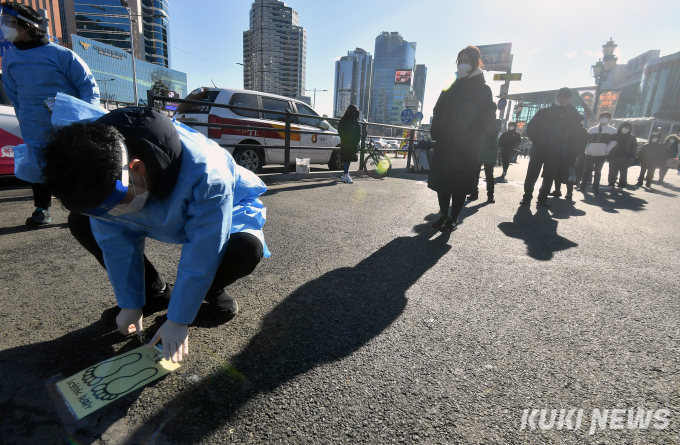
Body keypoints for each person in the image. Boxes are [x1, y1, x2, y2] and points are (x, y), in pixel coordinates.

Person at [40, 100, 270, 363]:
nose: (111, 215)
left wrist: (179, 319)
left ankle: (211, 290)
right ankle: (154, 293)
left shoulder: (208, 174)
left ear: (136, 169)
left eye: (113, 204)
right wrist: (130, 302)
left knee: (246, 248)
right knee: (82, 222)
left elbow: (204, 249)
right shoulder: (99, 173)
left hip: (226, 210)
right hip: (158, 208)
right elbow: (115, 244)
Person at [1, 2, 99, 225]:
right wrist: (23, 118)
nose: (4, 27)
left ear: (25, 26)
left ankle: (86, 208)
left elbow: (88, 88)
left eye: (9, 22)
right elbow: (13, 94)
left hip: (67, 125)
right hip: (33, 126)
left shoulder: (62, 55)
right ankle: (41, 209)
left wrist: (85, 121)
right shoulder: (10, 58)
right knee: (37, 167)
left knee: (73, 166)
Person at [428, 46, 494, 231]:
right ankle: (443, 214)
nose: (463, 64)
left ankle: (453, 218)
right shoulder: (451, 84)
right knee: (442, 183)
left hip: (466, 145)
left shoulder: (483, 89)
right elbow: (437, 109)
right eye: (460, 61)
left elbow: (487, 117)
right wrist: (437, 130)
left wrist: (472, 133)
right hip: (445, 141)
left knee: (458, 183)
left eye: (467, 61)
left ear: (475, 63)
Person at [520, 87, 583, 207]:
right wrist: (536, 140)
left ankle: (542, 198)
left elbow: (577, 123)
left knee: (549, 177)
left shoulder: (569, 115)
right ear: (556, 97)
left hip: (556, 151)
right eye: (559, 96)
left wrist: (567, 107)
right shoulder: (543, 111)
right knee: (532, 175)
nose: (561, 99)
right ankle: (527, 197)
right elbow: (531, 127)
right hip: (539, 149)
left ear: (569, 99)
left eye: (565, 97)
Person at [578, 112, 617, 194]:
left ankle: (596, 188)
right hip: (590, 153)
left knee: (598, 171)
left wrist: (606, 149)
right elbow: (587, 140)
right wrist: (587, 148)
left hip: (601, 154)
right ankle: (582, 187)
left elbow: (614, 142)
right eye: (602, 117)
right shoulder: (592, 129)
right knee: (587, 170)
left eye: (606, 117)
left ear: (609, 119)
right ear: (599, 119)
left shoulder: (612, 130)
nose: (604, 118)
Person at [550, 116, 588, 201]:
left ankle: (566, 192)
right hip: (566, 154)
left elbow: (583, 144)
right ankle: (562, 191)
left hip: (570, 154)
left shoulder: (580, 131)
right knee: (563, 173)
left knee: (566, 173)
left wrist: (577, 152)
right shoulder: (569, 128)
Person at [469, 104, 501, 203]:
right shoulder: (481, 121)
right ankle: (474, 192)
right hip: (479, 149)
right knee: (475, 173)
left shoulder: (497, 121)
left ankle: (490, 195)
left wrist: (481, 135)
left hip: (490, 151)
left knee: (489, 174)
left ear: (494, 110)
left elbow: (492, 132)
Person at [606, 122, 637, 190]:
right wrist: (608, 154)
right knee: (612, 171)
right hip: (614, 156)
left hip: (625, 157)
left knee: (623, 172)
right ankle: (611, 184)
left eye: (628, 128)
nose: (626, 129)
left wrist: (632, 157)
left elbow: (634, 148)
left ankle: (621, 185)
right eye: (625, 127)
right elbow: (609, 144)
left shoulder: (632, 137)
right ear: (621, 127)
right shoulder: (615, 135)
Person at [337, 104, 360, 184]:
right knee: (346, 158)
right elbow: (340, 130)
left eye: (355, 112)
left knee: (349, 159)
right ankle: (346, 175)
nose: (354, 114)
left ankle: (345, 175)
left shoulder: (355, 121)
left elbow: (358, 132)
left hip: (353, 143)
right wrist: (345, 138)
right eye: (352, 112)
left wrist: (357, 140)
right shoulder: (345, 119)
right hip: (346, 142)